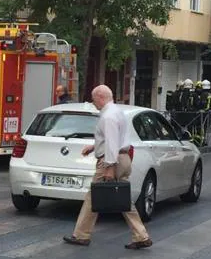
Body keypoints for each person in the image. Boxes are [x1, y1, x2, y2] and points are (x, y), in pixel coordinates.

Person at [63, 85, 152, 249]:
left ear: (100, 97)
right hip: (123, 158)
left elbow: (111, 142)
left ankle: (81, 235)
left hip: (112, 160)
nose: (93, 102)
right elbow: (113, 138)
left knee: (93, 196)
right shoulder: (117, 112)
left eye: (93, 98)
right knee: (124, 199)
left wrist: (109, 167)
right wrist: (95, 146)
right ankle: (141, 235)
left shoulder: (108, 116)